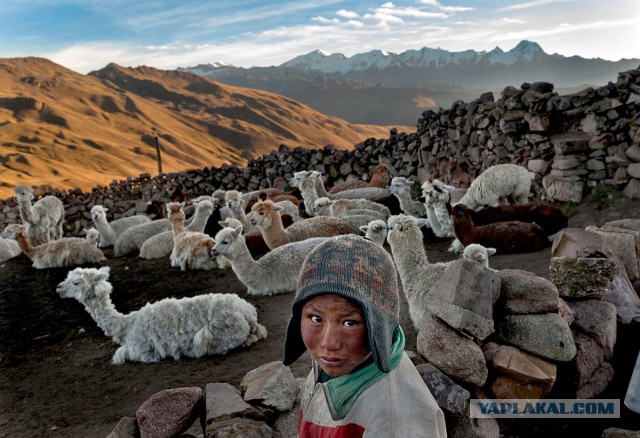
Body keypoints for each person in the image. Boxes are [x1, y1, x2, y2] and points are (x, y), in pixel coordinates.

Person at [283, 234, 447, 437]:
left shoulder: (392, 422)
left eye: (349, 323)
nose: (328, 343)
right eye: (316, 319)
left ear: (379, 327)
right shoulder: (334, 364)